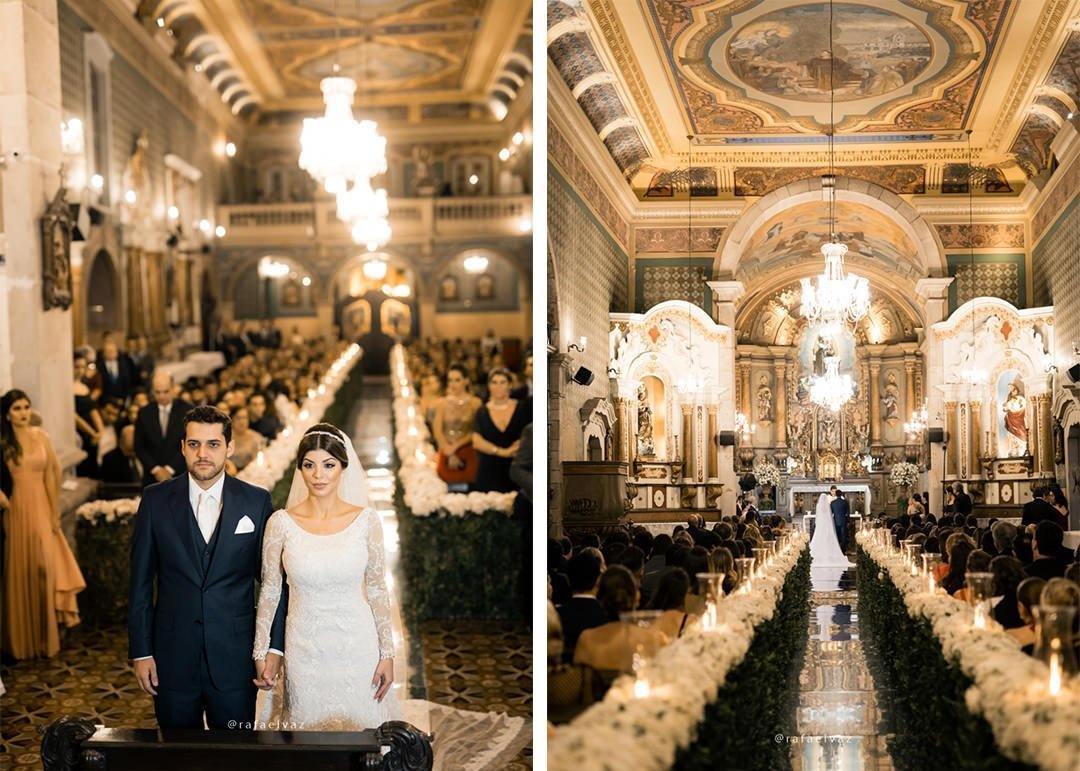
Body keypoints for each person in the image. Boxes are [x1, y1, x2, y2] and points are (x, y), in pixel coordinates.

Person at [128, 406, 287, 729]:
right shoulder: (155, 500)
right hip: (171, 658)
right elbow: (140, 584)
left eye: (213, 444)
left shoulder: (256, 502)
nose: (203, 454)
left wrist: (273, 647)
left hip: (235, 657)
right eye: (194, 444)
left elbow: (273, 583)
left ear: (229, 447)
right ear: (182, 447)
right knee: (177, 756)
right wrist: (141, 651)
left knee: (234, 757)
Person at [252, 423, 398, 729]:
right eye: (310, 465)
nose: (319, 475)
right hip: (304, 649)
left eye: (328, 465)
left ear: (343, 467)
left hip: (358, 646)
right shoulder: (280, 523)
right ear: (300, 470)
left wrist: (387, 653)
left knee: (363, 735)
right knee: (309, 734)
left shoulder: (366, 521)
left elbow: (377, 589)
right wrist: (261, 651)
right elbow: (269, 591)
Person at [1, 390, 86, 659]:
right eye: (17, 408)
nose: (24, 412)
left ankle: (44, 637)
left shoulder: (42, 436)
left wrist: (53, 510)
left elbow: (53, 472)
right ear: (6, 414)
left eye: (26, 406)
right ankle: (20, 642)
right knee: (19, 572)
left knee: (45, 568)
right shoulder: (3, 442)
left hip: (41, 509)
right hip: (14, 512)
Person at [472, 367, 531, 493]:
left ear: (510, 385)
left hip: (517, 467)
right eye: (494, 382)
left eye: (502, 382)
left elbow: (530, 433)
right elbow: (476, 440)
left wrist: (517, 447)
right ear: (489, 386)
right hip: (489, 469)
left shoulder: (522, 408)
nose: (498, 386)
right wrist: (502, 452)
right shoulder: (482, 411)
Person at [134, 370, 192, 488]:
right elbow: (139, 446)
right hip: (152, 478)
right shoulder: (144, 413)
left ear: (173, 389)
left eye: (166, 392)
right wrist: (156, 470)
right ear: (152, 391)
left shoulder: (187, 411)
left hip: (180, 475)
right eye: (157, 392)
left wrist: (170, 469)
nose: (162, 396)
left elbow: (190, 443)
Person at [432, 364, 480, 485]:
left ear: (466, 381)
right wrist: (450, 452)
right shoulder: (441, 403)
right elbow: (437, 431)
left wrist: (457, 445)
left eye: (457, 380)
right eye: (450, 380)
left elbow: (476, 431)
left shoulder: (475, 403)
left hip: (469, 450)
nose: (453, 384)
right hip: (446, 451)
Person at [810, 492, 853, 567]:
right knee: (832, 538)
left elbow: (818, 516)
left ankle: (820, 552)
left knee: (819, 537)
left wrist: (817, 523)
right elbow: (830, 515)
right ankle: (835, 552)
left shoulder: (820, 505)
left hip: (821, 524)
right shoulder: (830, 505)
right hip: (830, 523)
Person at [228, 405, 266, 472]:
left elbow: (262, 458)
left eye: (245, 418)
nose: (242, 422)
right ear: (232, 420)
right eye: (238, 418)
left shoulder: (256, 437)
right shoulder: (225, 437)